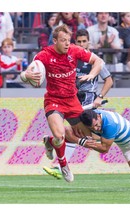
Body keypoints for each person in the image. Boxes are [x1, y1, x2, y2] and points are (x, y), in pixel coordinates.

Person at [20, 24, 104, 183]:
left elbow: (98, 61)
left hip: (72, 101)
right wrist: (26, 75)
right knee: (60, 135)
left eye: (68, 40)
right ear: (55, 41)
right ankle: (63, 165)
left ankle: (49, 141)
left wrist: (91, 75)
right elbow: (25, 75)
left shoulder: (74, 50)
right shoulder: (44, 55)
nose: (67, 43)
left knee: (87, 135)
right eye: (63, 40)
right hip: (54, 101)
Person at [42, 29, 113, 180]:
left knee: (90, 136)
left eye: (84, 42)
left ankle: (52, 142)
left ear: (88, 42)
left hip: (86, 104)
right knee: (62, 134)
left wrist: (99, 96)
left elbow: (109, 79)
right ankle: (62, 164)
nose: (81, 44)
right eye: (78, 42)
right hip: (68, 100)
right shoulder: (72, 56)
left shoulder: (88, 58)